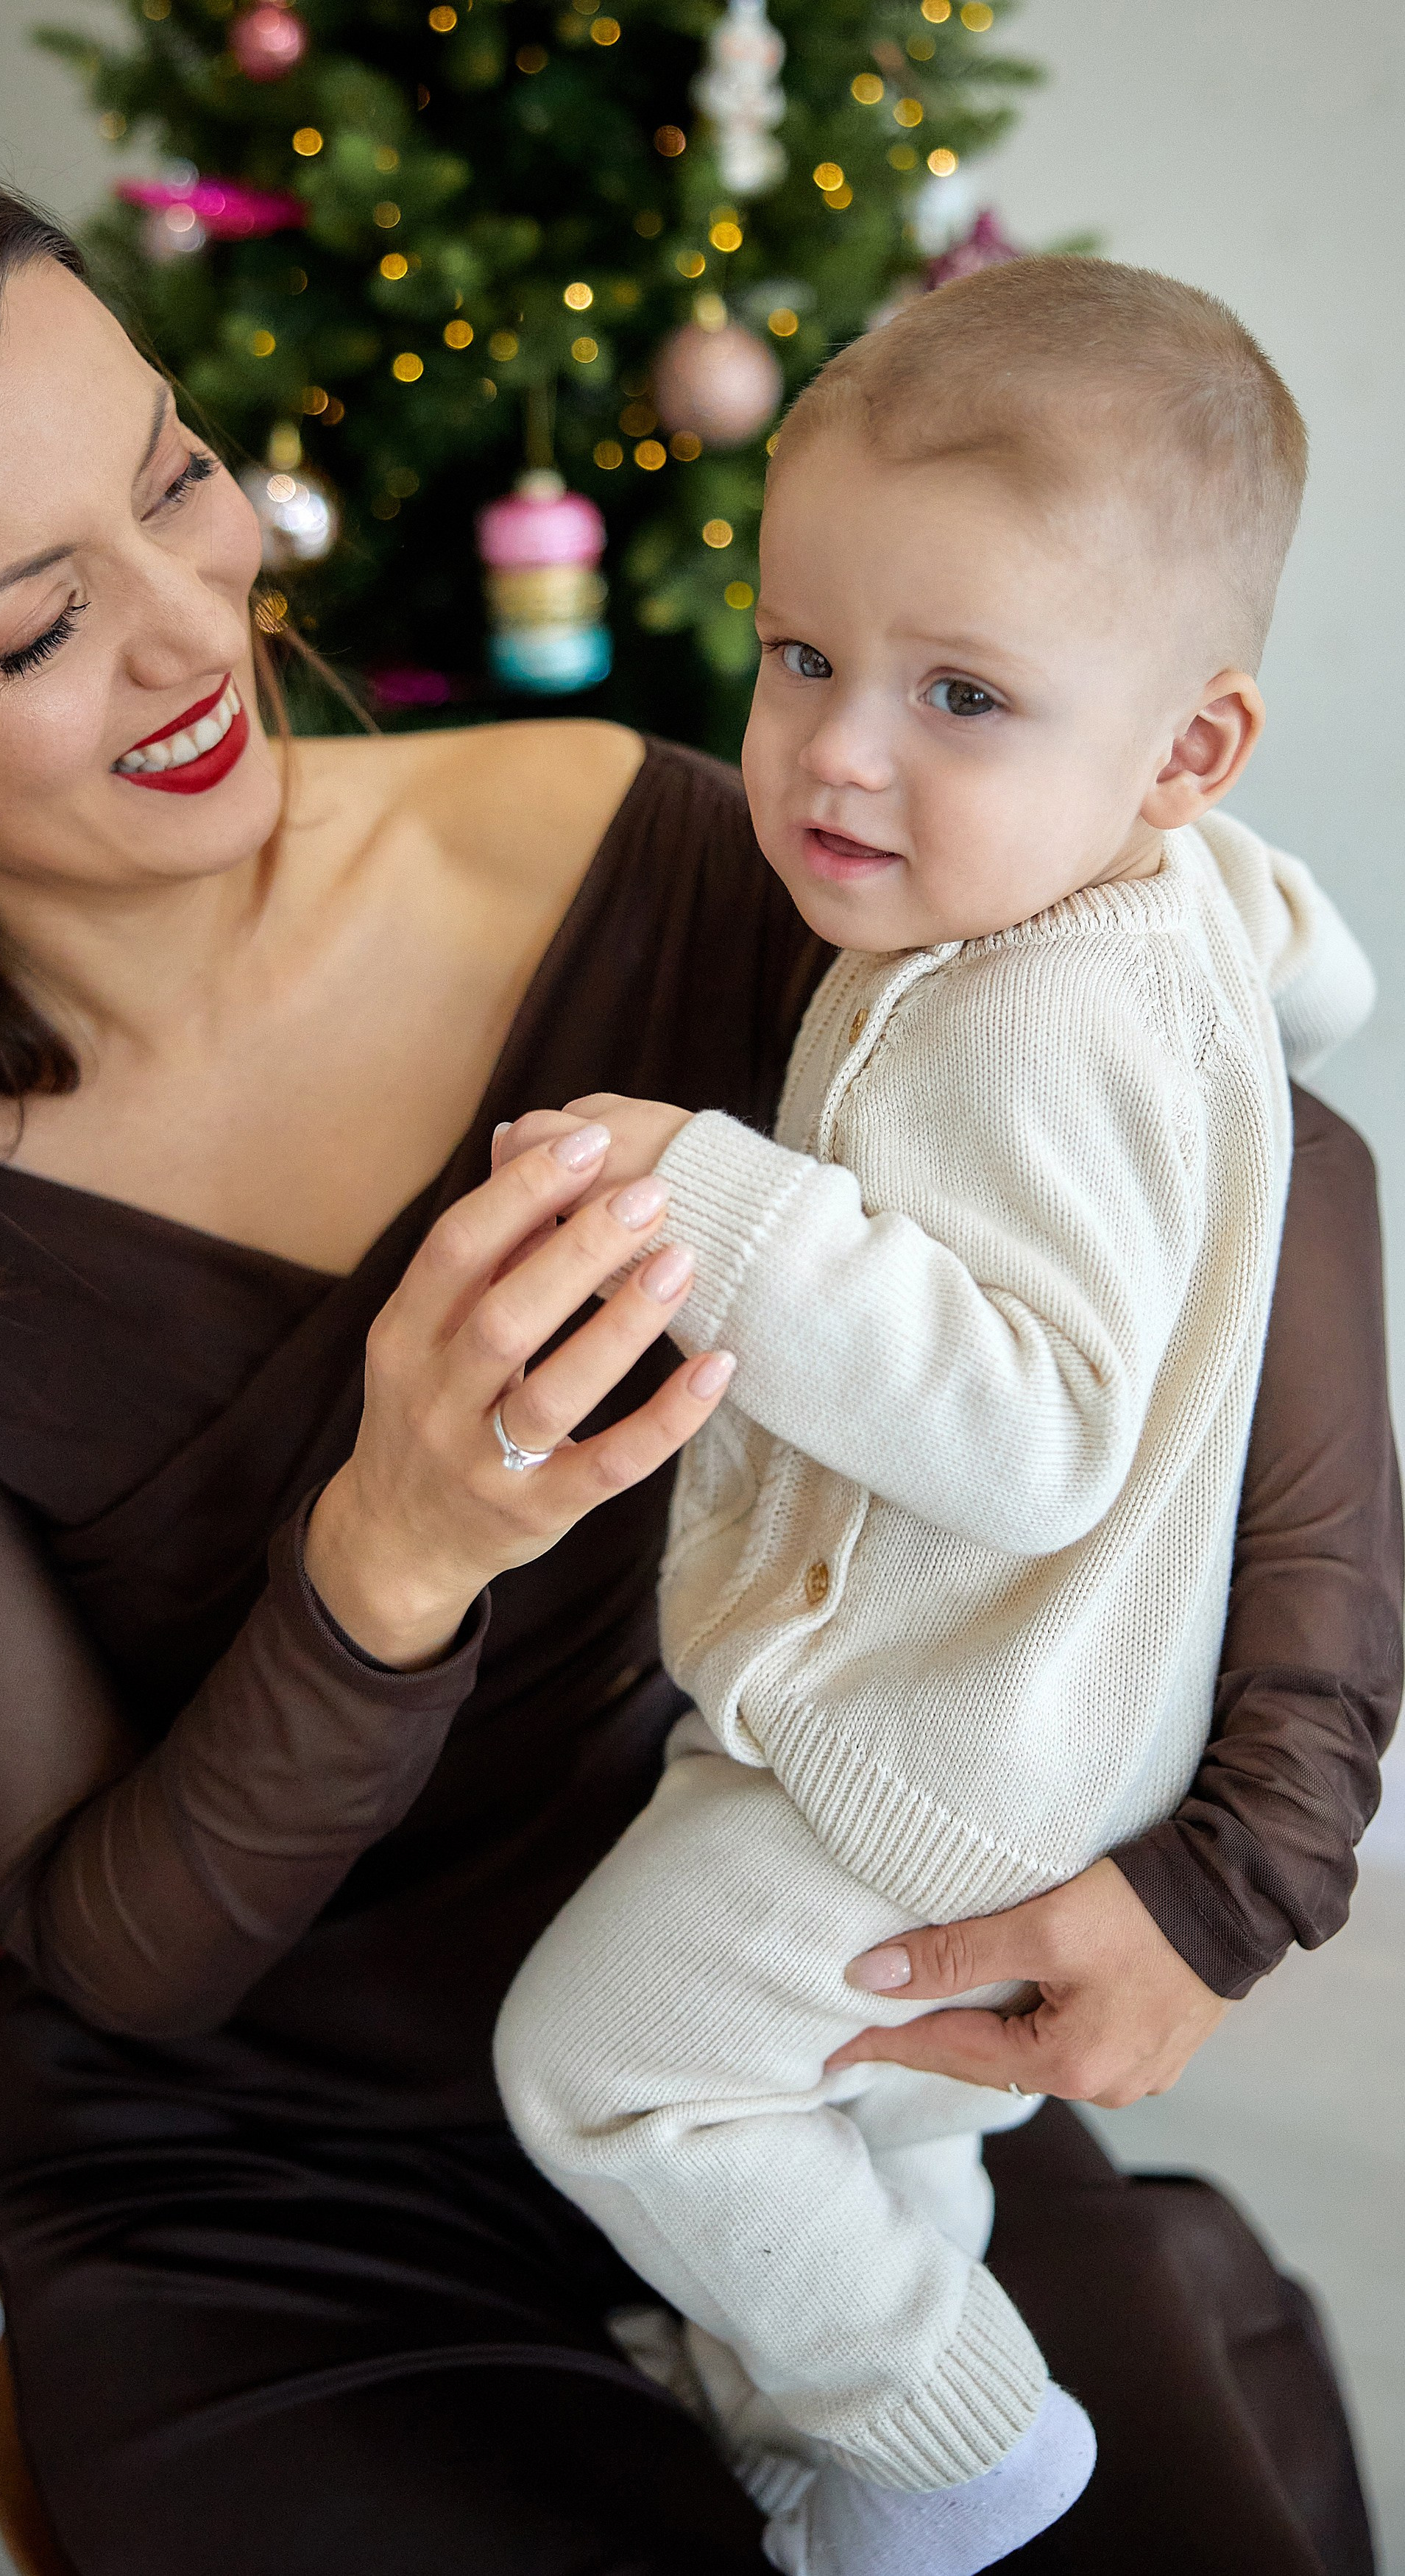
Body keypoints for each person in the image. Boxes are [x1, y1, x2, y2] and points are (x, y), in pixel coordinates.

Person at [0, 137, 1394, 2576]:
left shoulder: (631, 847)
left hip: (795, 2004)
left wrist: (1249, 1859)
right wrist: (382, 1567)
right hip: (278, 2208)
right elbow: (115, 1949)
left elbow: (1267, 1162)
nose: (197, 626)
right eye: (36, 627)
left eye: (176, 477)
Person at [491, 261, 1372, 2576]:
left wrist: (722, 1203)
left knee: (604, 2062)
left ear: (1186, 749)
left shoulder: (1017, 1020)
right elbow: (1295, 948)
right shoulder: (1160, 890)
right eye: (803, 657)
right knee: (867, 2117)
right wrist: (1303, 961)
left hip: (935, 1739)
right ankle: (838, 2399)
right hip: (1015, 1696)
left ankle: (960, 2435)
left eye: (961, 693)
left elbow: (1044, 1425)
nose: (838, 752)